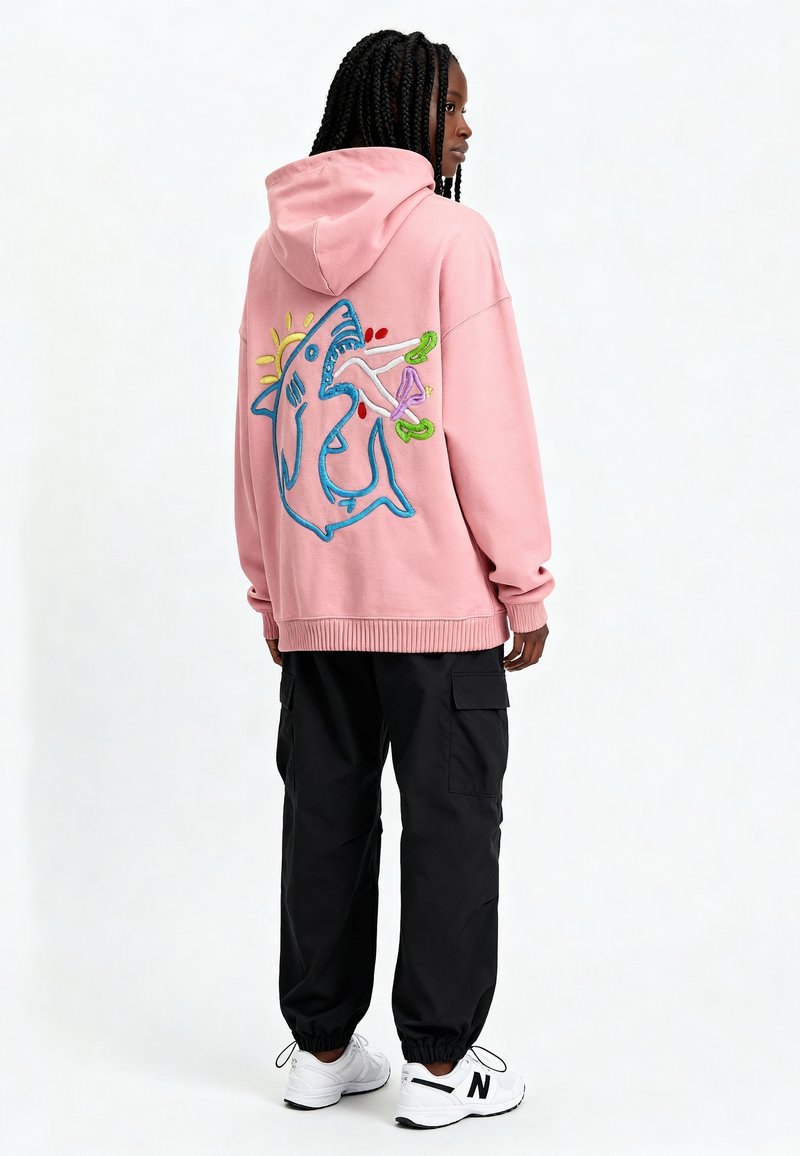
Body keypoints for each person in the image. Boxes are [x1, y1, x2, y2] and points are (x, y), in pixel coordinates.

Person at [234, 28, 555, 1130]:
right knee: (451, 821)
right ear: (405, 108)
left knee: (324, 817)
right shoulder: (452, 236)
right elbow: (485, 424)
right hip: (439, 604)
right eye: (451, 106)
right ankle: (439, 1067)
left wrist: (270, 586)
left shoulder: (273, 249)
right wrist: (523, 582)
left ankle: (320, 1048)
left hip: (319, 598)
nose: (466, 129)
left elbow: (259, 430)